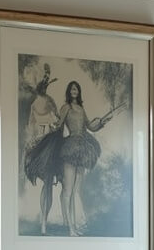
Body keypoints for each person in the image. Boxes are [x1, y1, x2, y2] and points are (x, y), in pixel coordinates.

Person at [53, 80, 117, 236]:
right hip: (70, 148)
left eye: (76, 88)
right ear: (69, 92)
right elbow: (58, 124)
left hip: (83, 149)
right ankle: (70, 228)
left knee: (75, 191)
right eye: (72, 88)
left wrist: (102, 122)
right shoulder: (65, 108)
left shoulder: (81, 109)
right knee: (68, 190)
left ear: (78, 92)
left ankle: (74, 225)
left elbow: (89, 126)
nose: (74, 90)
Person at [23, 70, 62, 233]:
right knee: (46, 185)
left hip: (51, 142)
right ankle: (43, 221)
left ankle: (44, 220)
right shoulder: (34, 105)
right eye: (43, 85)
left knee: (48, 184)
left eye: (45, 85)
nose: (44, 88)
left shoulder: (50, 101)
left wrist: (54, 126)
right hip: (41, 143)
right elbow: (31, 126)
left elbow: (57, 120)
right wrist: (33, 141)